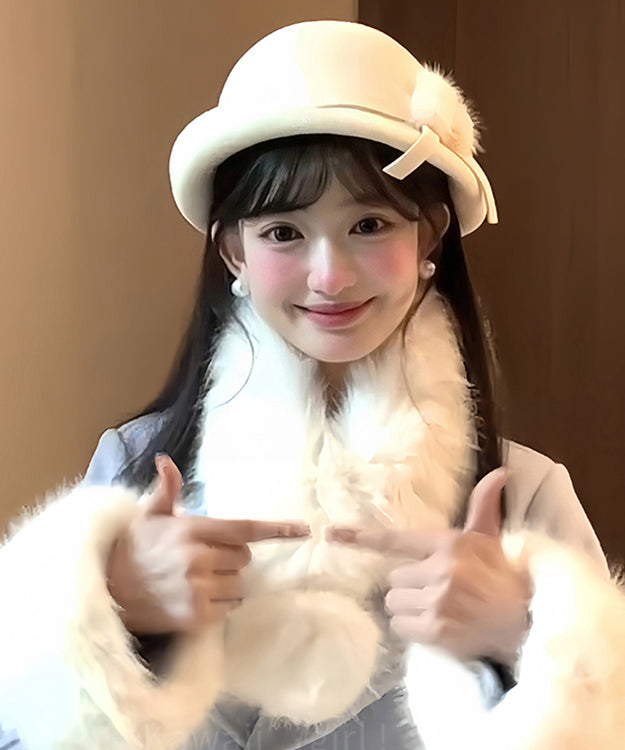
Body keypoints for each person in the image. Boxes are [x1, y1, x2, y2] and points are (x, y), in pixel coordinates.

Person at [1, 19, 624, 750]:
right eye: (282, 232)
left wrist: (524, 640)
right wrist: (113, 616)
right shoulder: (133, 473)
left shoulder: (526, 496)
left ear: (428, 236)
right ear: (233, 252)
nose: (329, 276)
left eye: (370, 224)